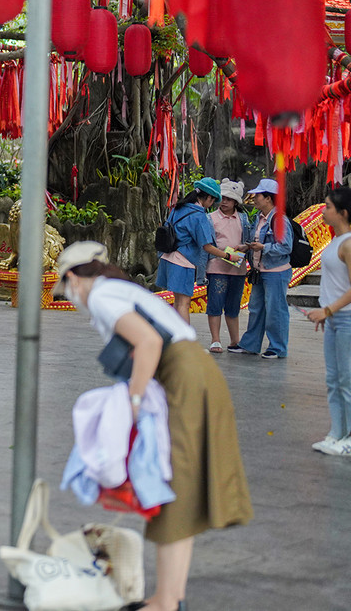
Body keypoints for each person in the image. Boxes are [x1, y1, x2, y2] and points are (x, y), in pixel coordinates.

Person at [53, 242, 252, 611]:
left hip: (183, 377)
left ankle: (165, 602)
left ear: (72, 278)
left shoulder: (100, 295)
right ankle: (170, 598)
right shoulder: (119, 288)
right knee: (180, 490)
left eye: (65, 289)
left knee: (171, 489)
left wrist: (133, 401)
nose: (70, 297)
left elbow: (147, 343)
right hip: (192, 374)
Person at [304, 187, 351, 457]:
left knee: (350, 380)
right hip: (336, 319)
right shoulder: (336, 241)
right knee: (334, 380)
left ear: (342, 213)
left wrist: (328, 310)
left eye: (327, 207)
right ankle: (338, 433)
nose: (323, 211)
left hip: (350, 320)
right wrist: (327, 312)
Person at [229, 179, 294, 359]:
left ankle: (278, 347)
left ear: (268, 198)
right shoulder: (259, 217)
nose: (255, 199)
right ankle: (250, 344)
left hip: (276, 272)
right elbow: (260, 241)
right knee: (256, 308)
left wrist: (263, 248)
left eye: (258, 195)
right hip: (260, 271)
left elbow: (286, 247)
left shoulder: (279, 219)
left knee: (276, 310)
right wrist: (248, 247)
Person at [155, 178, 232, 325]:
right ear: (208, 197)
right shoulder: (198, 215)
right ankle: (186, 341)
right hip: (183, 262)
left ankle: (177, 339)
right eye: (212, 201)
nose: (211, 205)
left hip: (168, 258)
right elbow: (206, 246)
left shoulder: (178, 207)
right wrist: (228, 256)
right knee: (184, 304)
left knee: (178, 303)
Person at [203, 181, 252, 353]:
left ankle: (234, 341)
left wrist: (245, 247)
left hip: (238, 269)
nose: (224, 202)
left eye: (229, 199)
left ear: (236, 202)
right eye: (222, 198)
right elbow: (206, 243)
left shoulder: (243, 219)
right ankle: (215, 339)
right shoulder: (210, 218)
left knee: (233, 306)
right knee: (215, 304)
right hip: (216, 268)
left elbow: (248, 240)